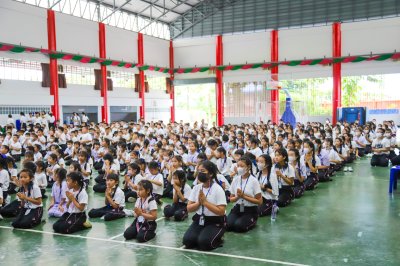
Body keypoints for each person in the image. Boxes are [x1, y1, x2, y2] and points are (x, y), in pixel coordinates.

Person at [183, 160, 227, 250]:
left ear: (210, 174)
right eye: (198, 170)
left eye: (202, 171)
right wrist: (199, 203)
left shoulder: (218, 189)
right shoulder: (196, 188)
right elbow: (189, 208)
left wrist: (205, 203)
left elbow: (221, 212)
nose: (199, 173)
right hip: (200, 219)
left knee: (204, 243)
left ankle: (219, 237)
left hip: (215, 221)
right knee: (188, 241)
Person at [227, 156, 262, 232]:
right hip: (238, 207)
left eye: (242, 166)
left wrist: (244, 196)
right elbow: (231, 199)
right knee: (228, 225)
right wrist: (238, 197)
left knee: (239, 227)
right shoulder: (236, 180)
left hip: (250, 210)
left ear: (248, 167)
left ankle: (253, 220)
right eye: (238, 166)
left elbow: (259, 201)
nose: (239, 168)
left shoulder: (254, 181)